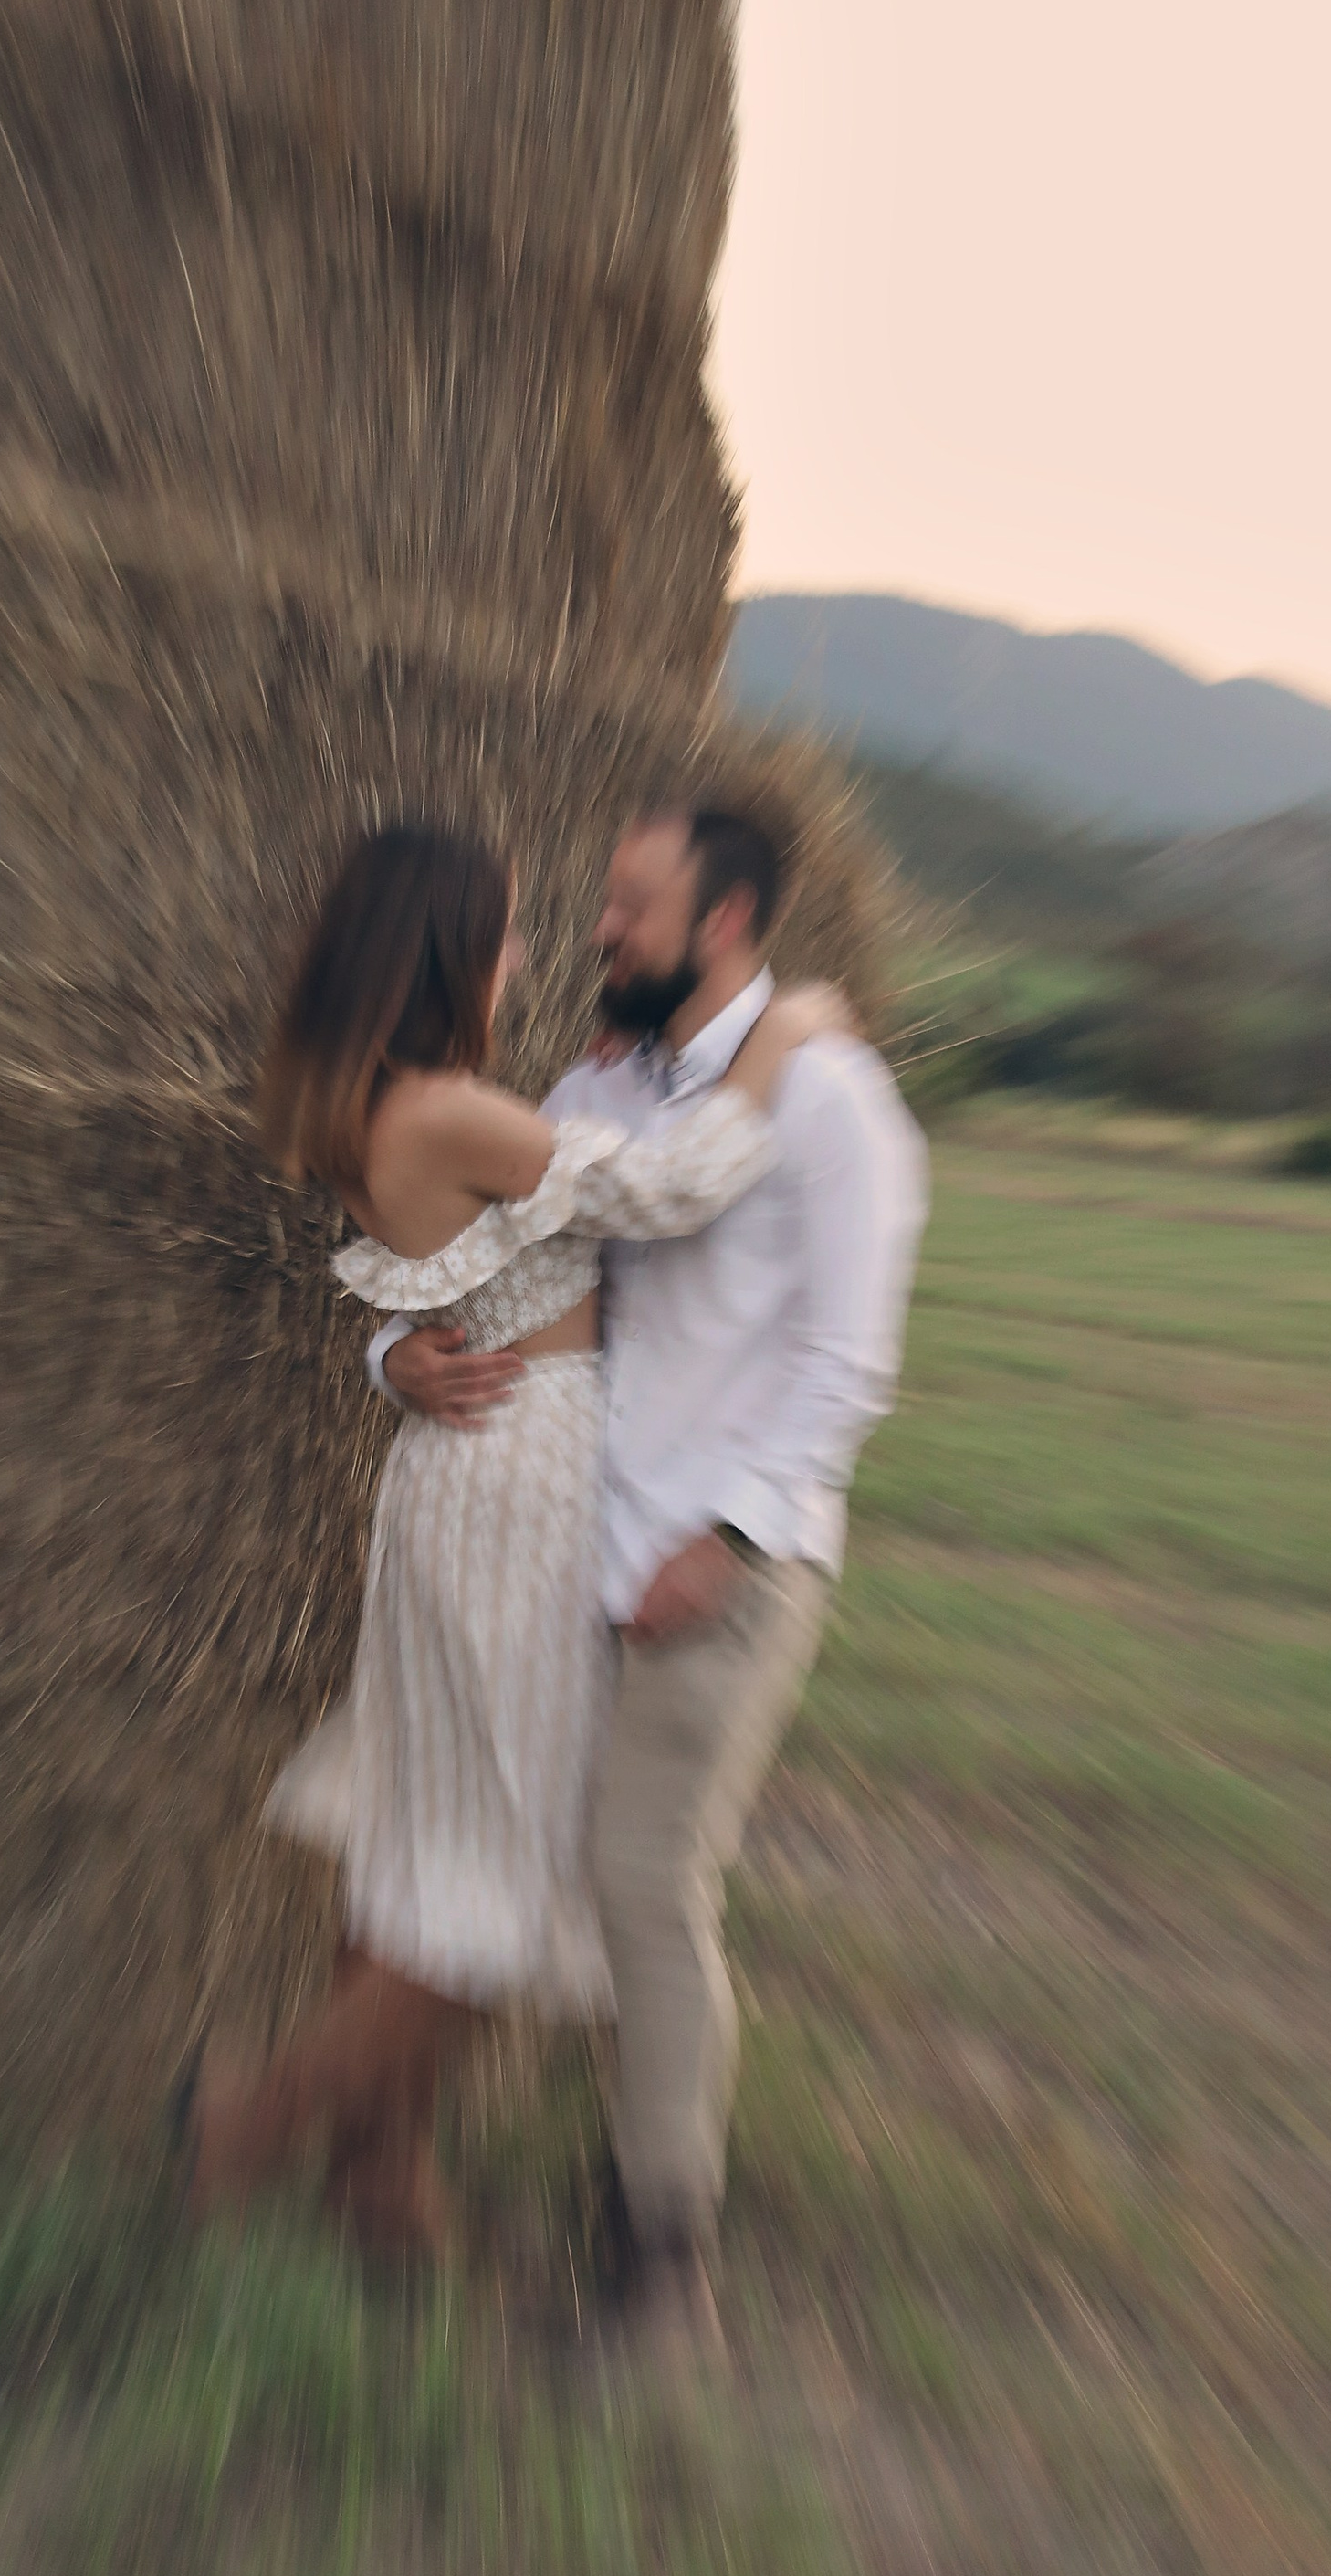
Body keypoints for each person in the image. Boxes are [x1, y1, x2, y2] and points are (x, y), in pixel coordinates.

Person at [179, 819, 838, 2263]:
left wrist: (392, 1358)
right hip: (526, 1482)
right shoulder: (452, 1112)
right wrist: (784, 1035)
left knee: (416, 1836)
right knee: (507, 1879)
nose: (532, 954)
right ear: (446, 951)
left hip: (449, 1469)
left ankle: (382, 2187)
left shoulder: (371, 1102)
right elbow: (672, 1190)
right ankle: (251, 2129)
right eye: (509, 932)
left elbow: (437, 1289)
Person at [372, 771, 928, 2358]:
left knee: (643, 1881)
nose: (600, 926)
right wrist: (390, 1363)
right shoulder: (595, 1092)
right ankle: (421, 2160)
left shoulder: (831, 1102)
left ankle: (663, 2258)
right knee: (536, 1875)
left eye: (632, 906)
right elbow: (478, 1272)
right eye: (606, 902)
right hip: (569, 1551)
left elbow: (849, 1361)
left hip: (726, 1567)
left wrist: (735, 1533)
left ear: (728, 921)